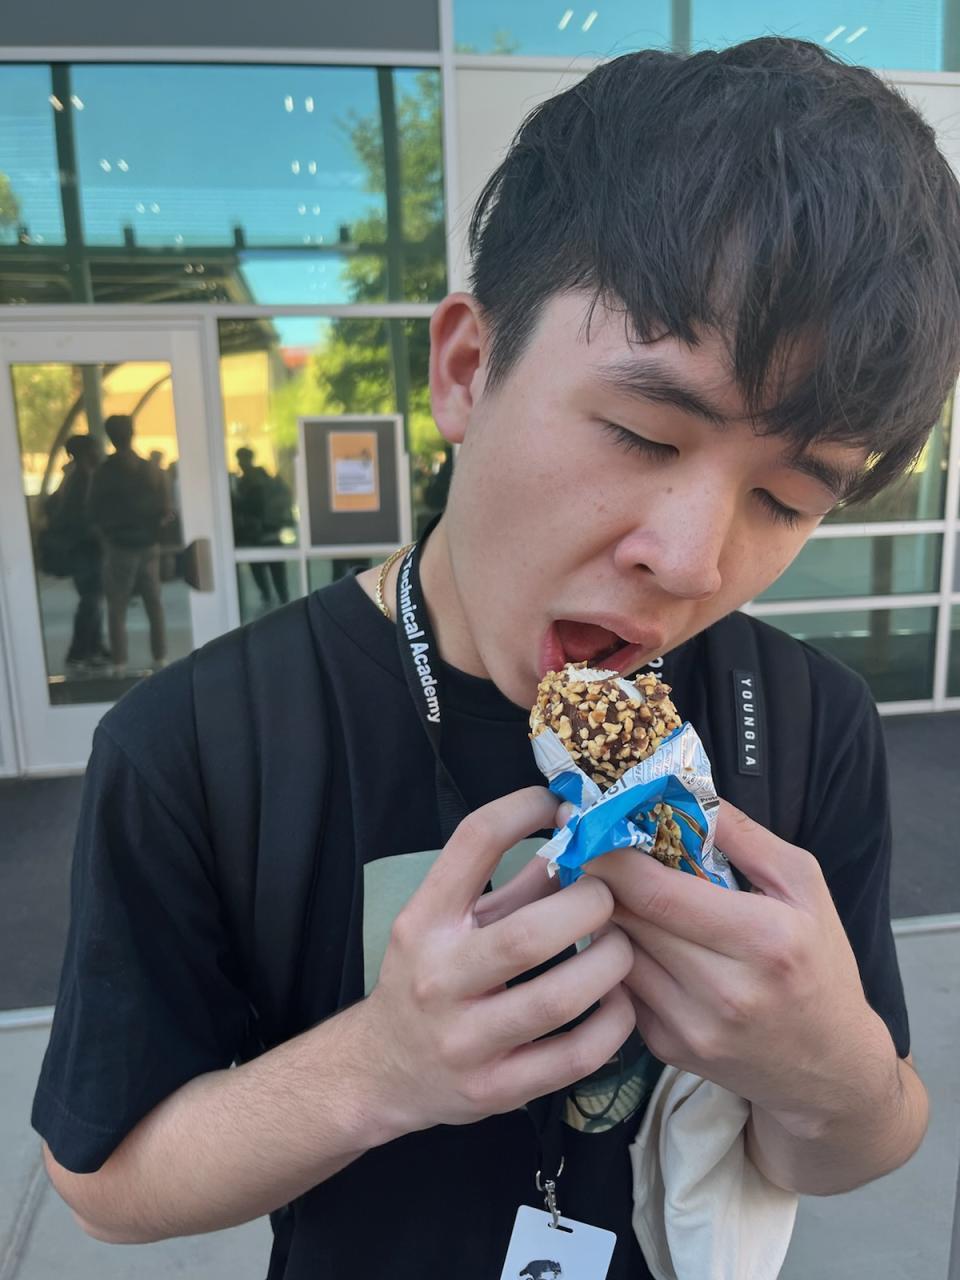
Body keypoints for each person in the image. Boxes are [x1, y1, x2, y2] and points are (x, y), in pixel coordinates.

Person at [31, 39, 960, 1280]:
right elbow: (102, 1182)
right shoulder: (199, 740)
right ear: (467, 370)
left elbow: (857, 1137)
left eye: (787, 500)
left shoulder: (805, 717)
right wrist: (381, 1065)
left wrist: (828, 1069)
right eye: (642, 432)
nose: (693, 560)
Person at [88, 414, 169, 677]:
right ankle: (160, 657)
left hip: (119, 546)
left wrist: (106, 537)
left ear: (109, 436)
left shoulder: (103, 472)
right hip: (149, 545)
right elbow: (165, 507)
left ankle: (120, 662)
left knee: (117, 606)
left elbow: (93, 509)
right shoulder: (150, 469)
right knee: (154, 603)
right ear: (133, 433)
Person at [43, 434, 109, 672]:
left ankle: (94, 647)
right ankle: (80, 652)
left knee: (94, 599)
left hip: (84, 548)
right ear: (84, 452)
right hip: (83, 548)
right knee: (90, 600)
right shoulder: (80, 478)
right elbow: (77, 517)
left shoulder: (76, 475)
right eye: (95, 448)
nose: (99, 452)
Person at [231, 446, 292, 609]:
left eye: (241, 459)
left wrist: (235, 500)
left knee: (265, 570)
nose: (240, 463)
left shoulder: (252, 481)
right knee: (275, 572)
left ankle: (272, 599)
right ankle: (281, 599)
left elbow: (251, 506)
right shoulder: (265, 479)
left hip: (258, 533)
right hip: (269, 531)